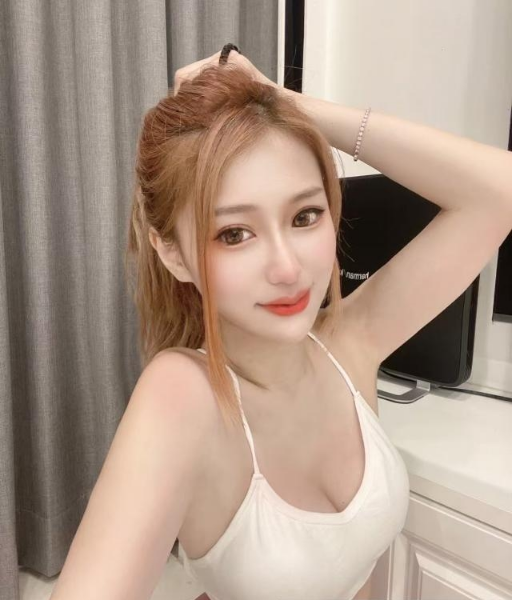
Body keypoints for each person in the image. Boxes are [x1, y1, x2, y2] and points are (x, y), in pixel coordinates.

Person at [50, 46, 512, 600]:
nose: (288, 269)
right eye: (234, 234)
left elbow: (499, 193)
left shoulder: (350, 341)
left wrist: (284, 104)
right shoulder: (183, 396)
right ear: (172, 254)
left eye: (304, 216)